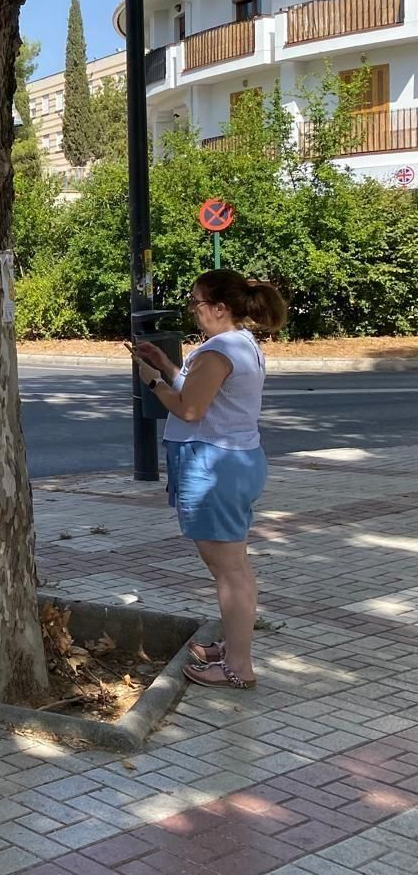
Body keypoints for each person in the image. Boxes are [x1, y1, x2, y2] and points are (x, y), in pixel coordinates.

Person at [130, 270, 288, 691]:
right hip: (237, 461)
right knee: (234, 566)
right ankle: (234, 648)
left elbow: (189, 409)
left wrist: (153, 381)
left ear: (220, 308)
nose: (193, 310)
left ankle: (238, 665)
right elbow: (208, 395)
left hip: (213, 465)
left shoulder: (217, 351)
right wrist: (167, 364)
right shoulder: (242, 344)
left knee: (228, 570)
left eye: (196, 302)